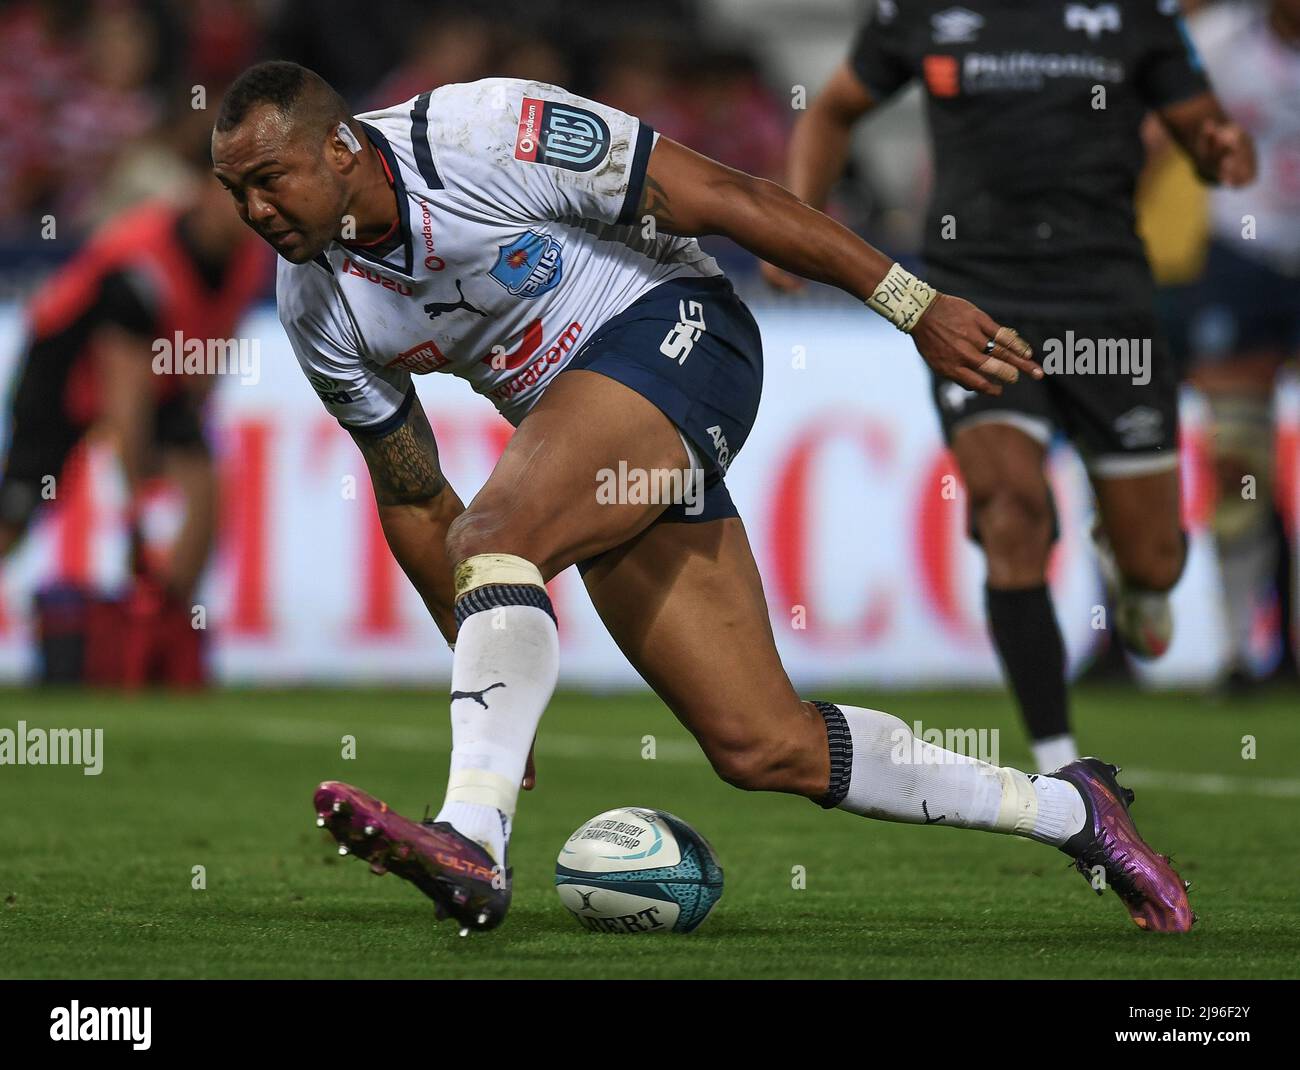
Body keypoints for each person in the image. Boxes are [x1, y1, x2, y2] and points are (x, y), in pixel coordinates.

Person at [212, 60, 1193, 935]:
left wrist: (914, 304)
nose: (255, 211)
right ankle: (1075, 810)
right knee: (761, 743)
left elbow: (721, 194)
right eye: (233, 193)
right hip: (592, 433)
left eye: (269, 180)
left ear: (342, 148)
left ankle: (471, 839)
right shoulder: (315, 306)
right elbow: (412, 497)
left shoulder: (480, 133)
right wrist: (485, 699)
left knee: (499, 530)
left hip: (680, 333)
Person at [763, 0, 1256, 771]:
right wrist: (797, 222)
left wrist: (1218, 146)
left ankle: (1134, 570)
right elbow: (832, 110)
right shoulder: (921, 14)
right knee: (1008, 509)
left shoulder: (1134, 15)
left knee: (1157, 559)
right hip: (978, 302)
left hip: (1107, 313)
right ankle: (1062, 768)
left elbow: (1200, 132)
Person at [1, 166, 266, 613]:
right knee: (18, 512)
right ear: (202, 192)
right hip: (60, 375)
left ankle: (165, 623)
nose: (251, 209)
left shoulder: (246, 258)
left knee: (205, 487)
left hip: (163, 376)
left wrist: (191, 421)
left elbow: (215, 347)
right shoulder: (140, 265)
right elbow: (123, 393)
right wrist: (135, 507)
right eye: (234, 194)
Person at [1185, 0, 1300, 688]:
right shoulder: (1216, 41)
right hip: (1242, 257)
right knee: (1237, 462)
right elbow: (1151, 132)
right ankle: (1238, 650)